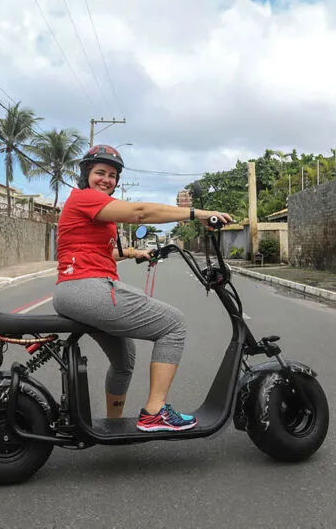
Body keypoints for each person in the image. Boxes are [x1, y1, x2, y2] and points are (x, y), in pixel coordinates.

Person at [52, 144, 233, 432]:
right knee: (173, 324)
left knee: (125, 361)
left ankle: (113, 425)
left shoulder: (91, 207)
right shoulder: (84, 198)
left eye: (112, 175)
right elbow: (139, 212)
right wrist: (196, 213)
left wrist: (131, 253)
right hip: (86, 287)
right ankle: (155, 412)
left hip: (78, 287)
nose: (106, 180)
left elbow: (89, 250)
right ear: (86, 174)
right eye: (100, 172)